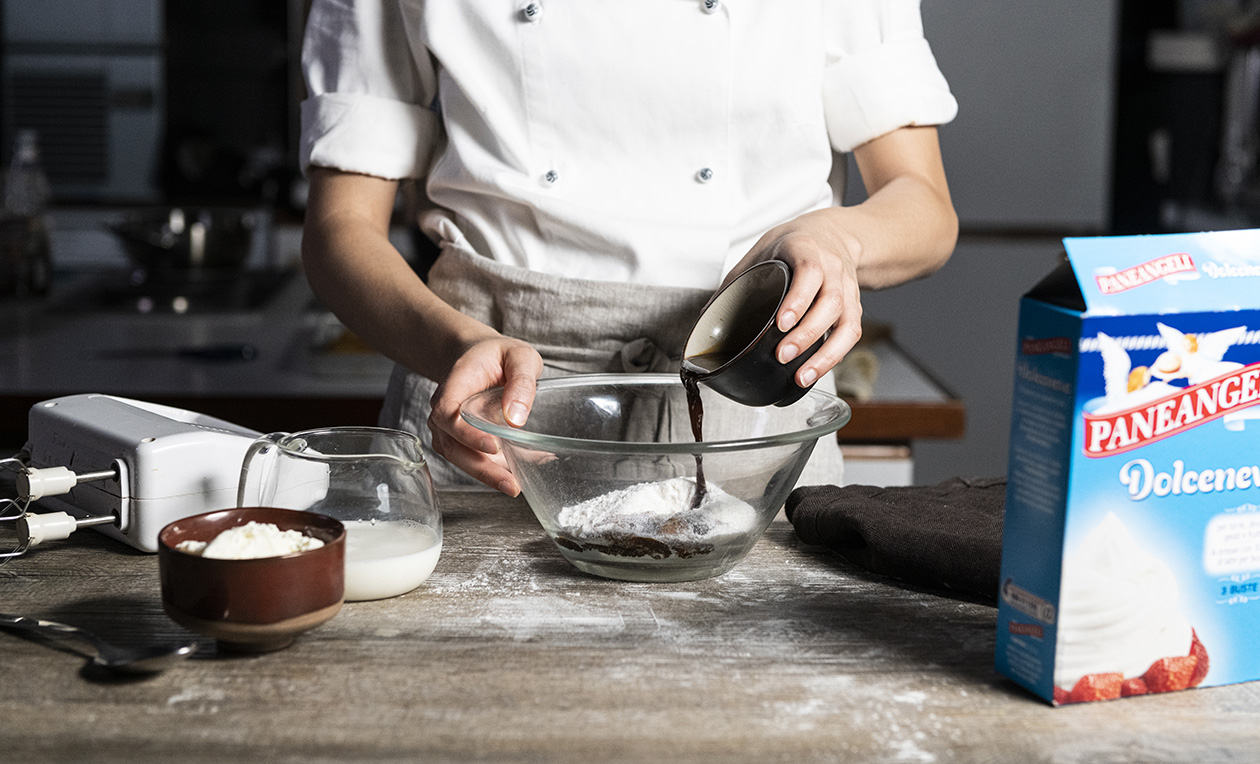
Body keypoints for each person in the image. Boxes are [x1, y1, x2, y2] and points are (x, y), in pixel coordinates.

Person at [299, 1, 959, 496]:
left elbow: (925, 206)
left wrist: (833, 237)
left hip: (747, 408)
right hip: (491, 412)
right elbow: (340, 229)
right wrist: (455, 346)